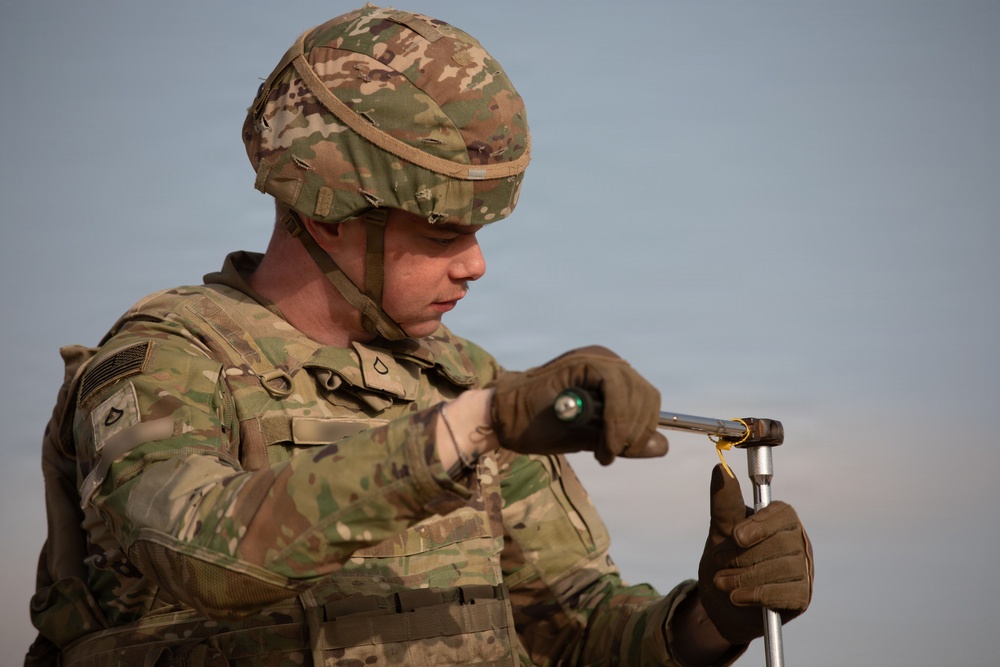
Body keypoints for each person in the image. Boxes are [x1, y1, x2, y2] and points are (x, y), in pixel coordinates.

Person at [26, 5, 813, 666]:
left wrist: (713, 618)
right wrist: (473, 426)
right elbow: (203, 550)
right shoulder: (166, 357)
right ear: (328, 210)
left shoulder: (466, 376)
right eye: (441, 230)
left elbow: (574, 632)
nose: (474, 263)